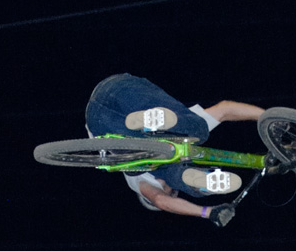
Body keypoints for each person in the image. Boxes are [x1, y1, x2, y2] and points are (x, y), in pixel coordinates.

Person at [85, 74, 264, 219]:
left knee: (197, 133)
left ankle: (198, 182)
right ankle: (199, 180)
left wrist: (206, 212)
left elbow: (161, 201)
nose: (163, 189)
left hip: (115, 103)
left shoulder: (138, 180)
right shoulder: (183, 134)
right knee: (180, 149)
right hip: (106, 106)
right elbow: (225, 109)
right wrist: (270, 118)